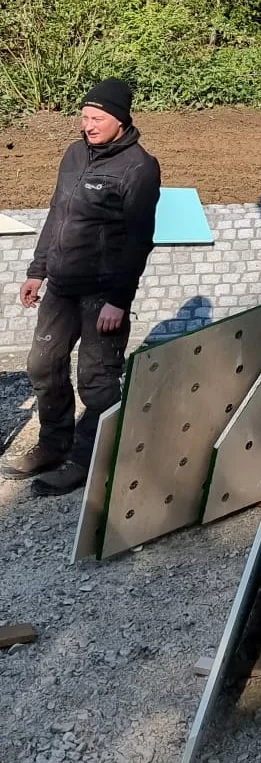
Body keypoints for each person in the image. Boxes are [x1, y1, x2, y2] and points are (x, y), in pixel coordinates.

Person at [4, 80, 160, 496]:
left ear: (120, 120)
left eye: (97, 118)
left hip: (102, 294)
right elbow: (58, 213)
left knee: (97, 380)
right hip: (61, 286)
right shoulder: (75, 154)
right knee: (42, 365)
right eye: (85, 117)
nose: (88, 125)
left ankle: (88, 459)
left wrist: (119, 301)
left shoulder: (139, 167)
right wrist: (37, 270)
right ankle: (54, 446)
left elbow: (139, 237)